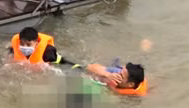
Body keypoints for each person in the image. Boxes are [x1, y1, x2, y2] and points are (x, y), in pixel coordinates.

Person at [9, 28, 147, 94]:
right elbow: (90, 67)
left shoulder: (134, 94)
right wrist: (106, 74)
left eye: (121, 74)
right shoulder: (115, 74)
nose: (118, 74)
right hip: (79, 72)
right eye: (120, 71)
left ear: (130, 84)